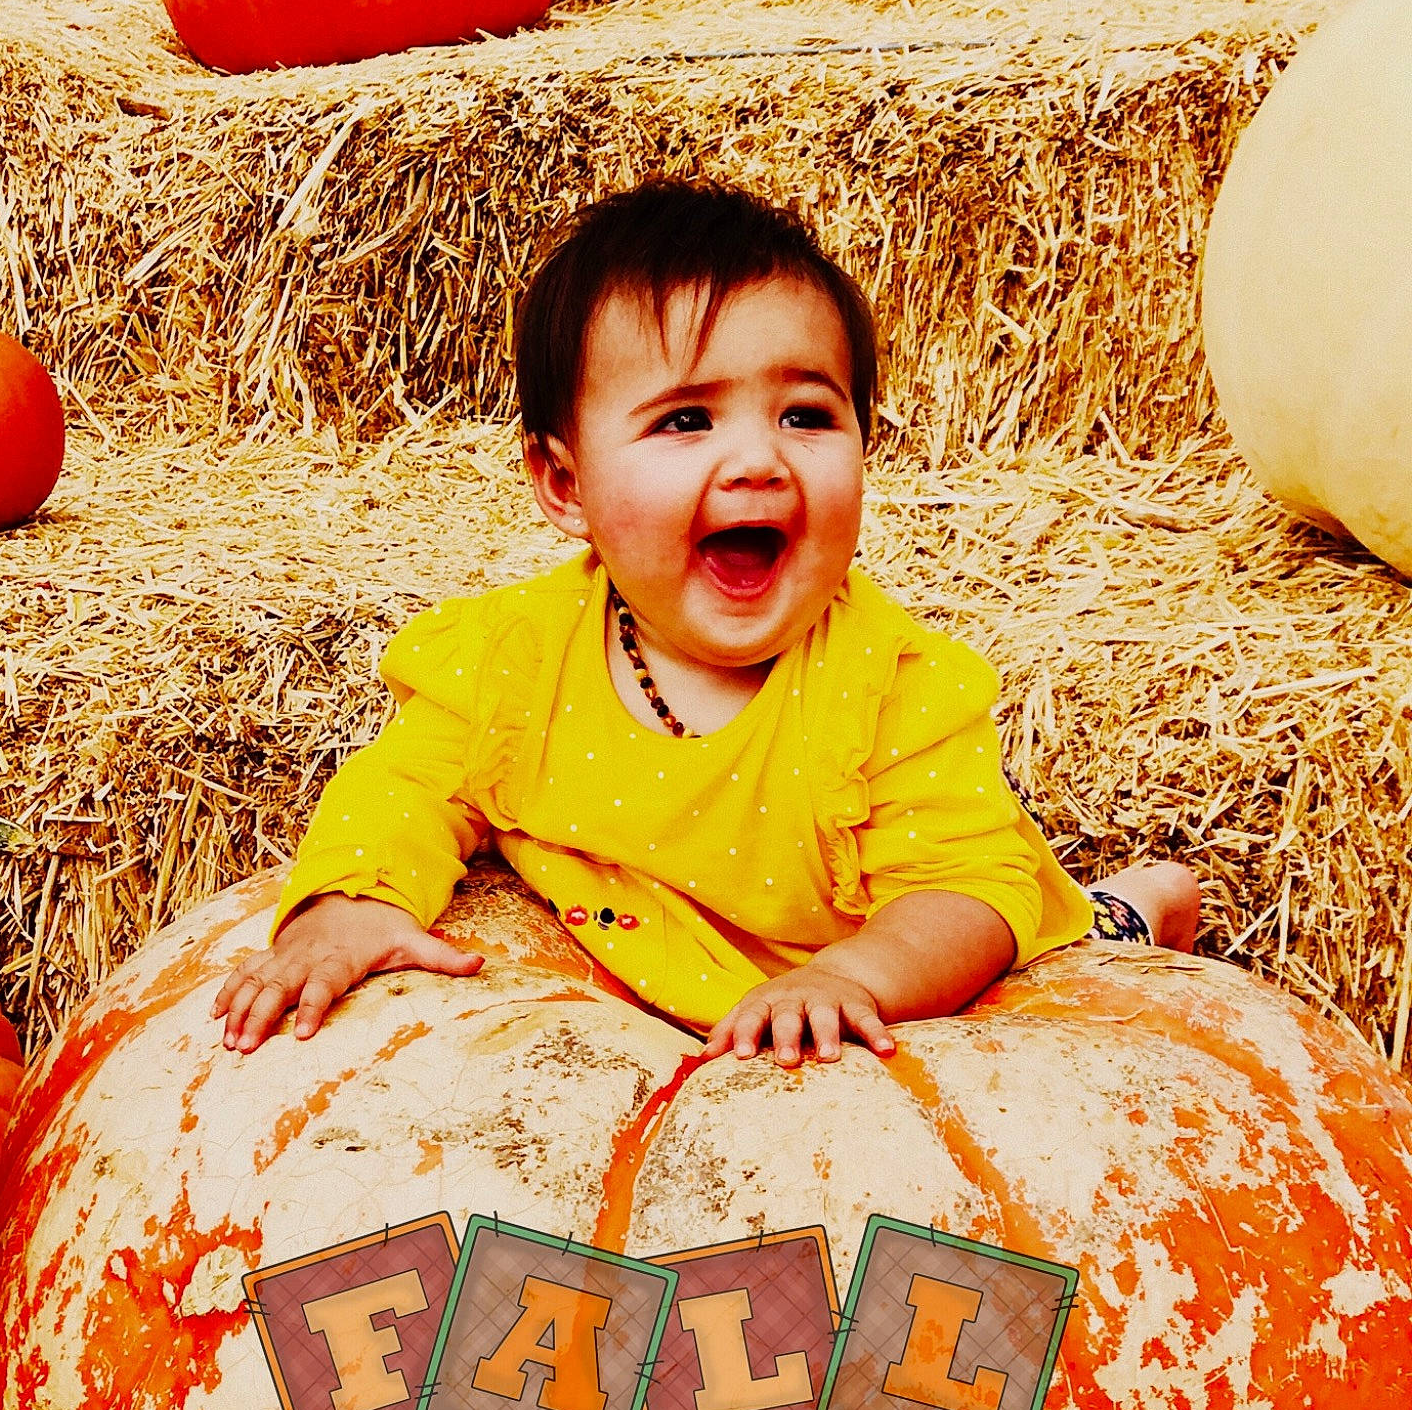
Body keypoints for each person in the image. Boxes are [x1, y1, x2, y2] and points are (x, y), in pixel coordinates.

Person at [214, 182, 1198, 1069]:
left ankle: (1131, 905)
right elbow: (406, 789)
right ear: (565, 484)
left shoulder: (894, 687)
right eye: (688, 421)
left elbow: (966, 893)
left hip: (880, 983)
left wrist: (855, 976)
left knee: (1058, 949)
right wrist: (351, 912)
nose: (759, 460)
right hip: (673, 982)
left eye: (806, 416)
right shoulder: (510, 662)